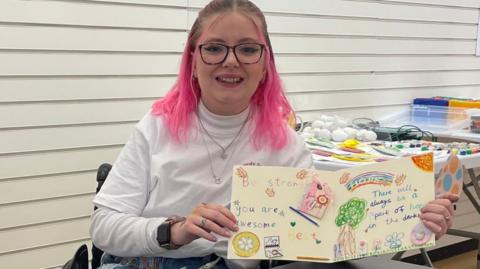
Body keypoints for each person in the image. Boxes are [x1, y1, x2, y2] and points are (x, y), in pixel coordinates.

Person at [90, 0, 458, 268]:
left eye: (248, 49)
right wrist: (178, 230)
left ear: (265, 63)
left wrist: (413, 223)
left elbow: (325, 234)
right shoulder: (157, 126)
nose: (230, 61)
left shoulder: (287, 147)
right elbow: (104, 228)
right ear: (193, 60)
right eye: (215, 48)